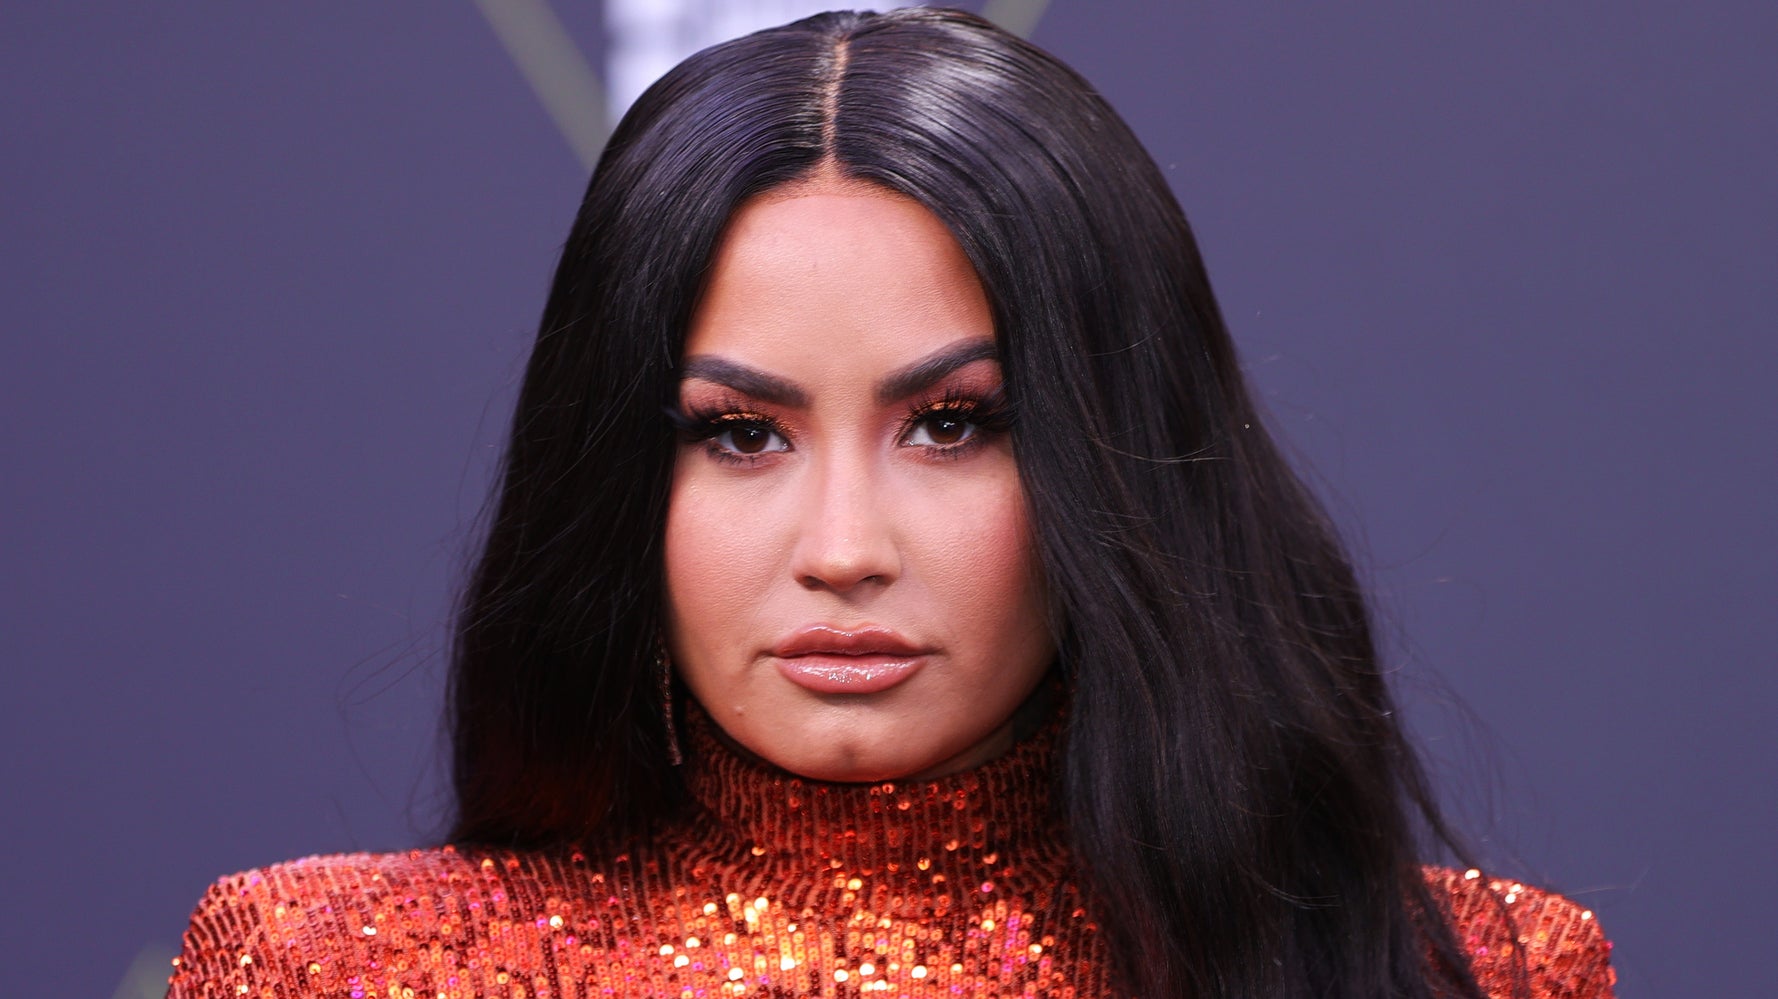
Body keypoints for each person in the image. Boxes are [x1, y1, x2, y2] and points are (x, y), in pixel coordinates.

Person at [167, 8, 1615, 998]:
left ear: (1117, 457)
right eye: (739, 435)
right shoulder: (322, 968)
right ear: (612, 478)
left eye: (952, 426)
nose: (843, 551)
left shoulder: (1481, 979)